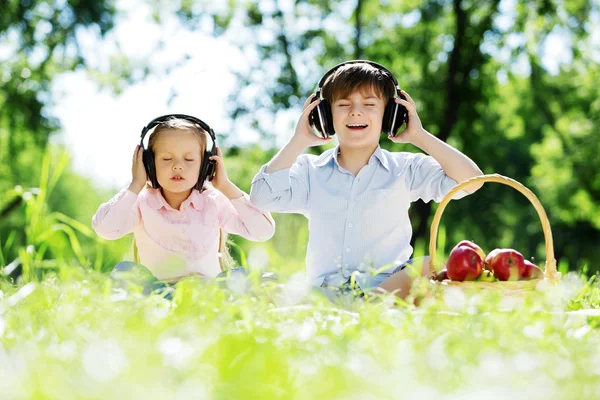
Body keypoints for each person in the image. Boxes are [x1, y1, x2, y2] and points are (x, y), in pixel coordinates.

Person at [249, 60, 483, 300]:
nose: (355, 111)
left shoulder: (406, 168)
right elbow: (261, 198)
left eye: (369, 104)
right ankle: (345, 310)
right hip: (322, 293)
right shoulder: (309, 170)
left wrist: (419, 136)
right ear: (325, 116)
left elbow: (472, 181)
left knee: (429, 265)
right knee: (259, 282)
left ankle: (361, 310)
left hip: (386, 290)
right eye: (343, 104)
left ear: (390, 114)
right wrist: (299, 140)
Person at [92, 114, 275, 295]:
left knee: (244, 276)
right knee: (126, 270)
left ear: (206, 166)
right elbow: (105, 229)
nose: (178, 166)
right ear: (149, 164)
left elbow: (263, 231)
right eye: (166, 159)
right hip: (158, 296)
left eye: (189, 160)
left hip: (208, 295)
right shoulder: (141, 203)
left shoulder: (214, 201)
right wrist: (135, 185)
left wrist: (225, 186)